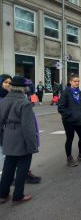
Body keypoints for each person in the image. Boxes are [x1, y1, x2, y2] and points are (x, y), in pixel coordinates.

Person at [0, 76, 39, 205]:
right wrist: (32, 146)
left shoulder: (4, 100)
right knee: (22, 168)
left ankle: (3, 194)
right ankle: (18, 196)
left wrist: (2, 139)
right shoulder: (24, 103)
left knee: (8, 166)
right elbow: (28, 128)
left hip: (8, 136)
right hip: (21, 138)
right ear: (24, 88)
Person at [58, 74, 81, 167]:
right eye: (75, 81)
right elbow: (61, 107)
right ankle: (69, 158)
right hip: (69, 121)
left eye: (78, 81)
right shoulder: (66, 92)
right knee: (70, 139)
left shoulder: (80, 93)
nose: (77, 83)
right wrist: (70, 115)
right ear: (70, 82)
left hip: (79, 120)